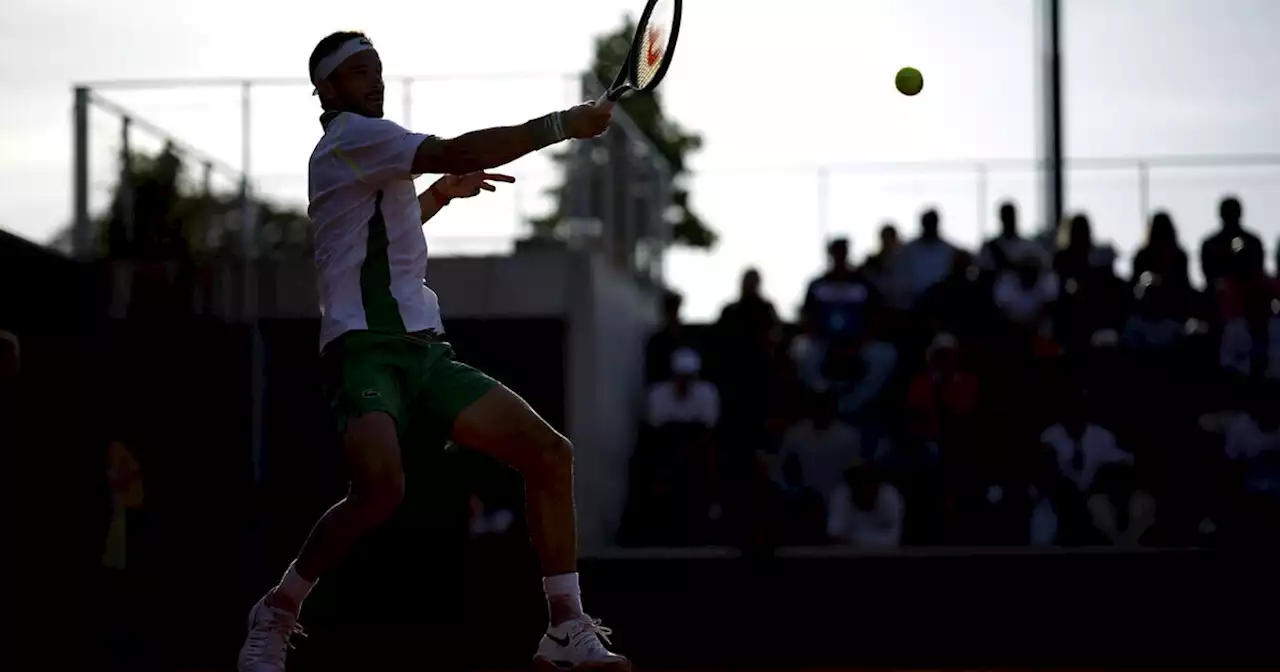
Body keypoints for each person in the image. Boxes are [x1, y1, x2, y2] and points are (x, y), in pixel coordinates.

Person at [237, 32, 625, 672]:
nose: (375, 82)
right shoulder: (349, 138)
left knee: (550, 454)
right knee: (380, 491)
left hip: (423, 350)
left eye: (378, 71)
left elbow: (380, 233)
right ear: (328, 90)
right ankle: (277, 610)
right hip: (363, 350)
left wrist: (439, 197)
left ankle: (564, 625)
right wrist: (563, 124)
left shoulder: (366, 148)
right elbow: (457, 149)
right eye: (360, 73)